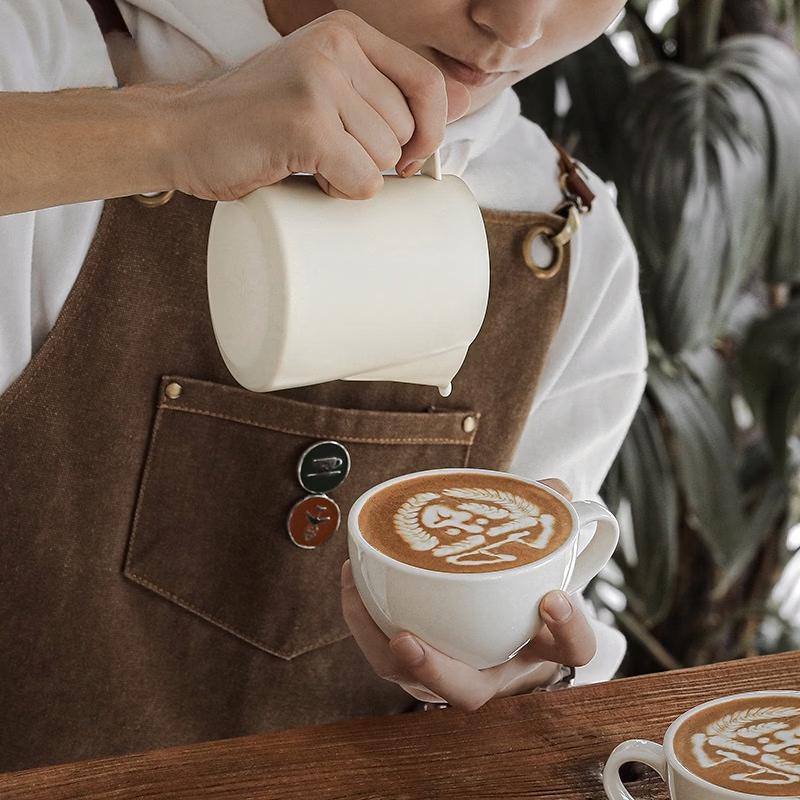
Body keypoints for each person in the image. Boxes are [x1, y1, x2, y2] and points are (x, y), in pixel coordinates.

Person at [0, 0, 646, 772]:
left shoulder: (575, 244)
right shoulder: (41, 63)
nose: (518, 24)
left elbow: (524, 656)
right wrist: (167, 130)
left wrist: (526, 674)